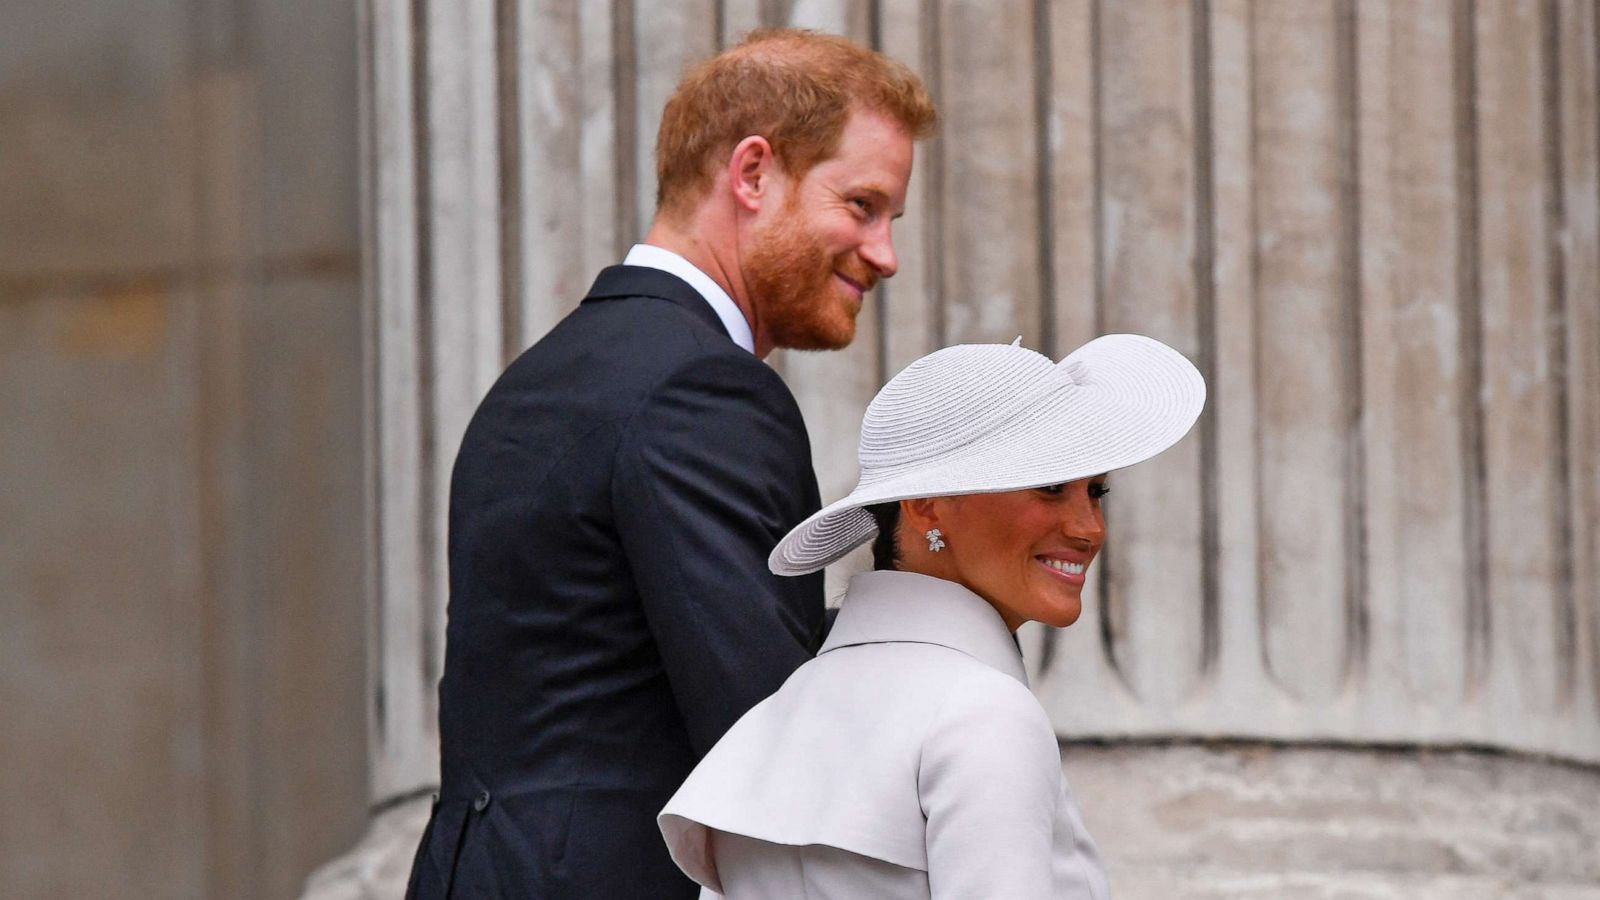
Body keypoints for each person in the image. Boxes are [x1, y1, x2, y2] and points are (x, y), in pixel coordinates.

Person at [402, 28, 937, 900]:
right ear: (753, 173)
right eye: (862, 206)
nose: (885, 254)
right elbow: (767, 732)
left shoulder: (535, 379)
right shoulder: (701, 386)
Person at [659, 334, 1206, 898]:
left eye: (1096, 491)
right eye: (1049, 486)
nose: (1089, 529)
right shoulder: (982, 712)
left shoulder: (782, 712)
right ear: (926, 506)